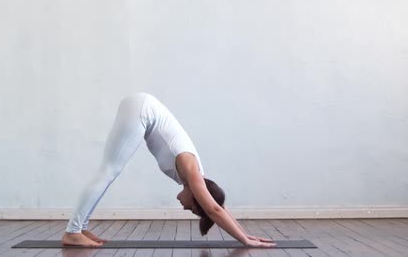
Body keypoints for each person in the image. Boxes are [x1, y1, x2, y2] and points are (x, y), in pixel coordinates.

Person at [62, 93, 276, 248]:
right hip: (142, 109)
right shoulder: (192, 171)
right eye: (193, 208)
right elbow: (214, 210)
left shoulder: (193, 176)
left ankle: (80, 228)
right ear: (198, 196)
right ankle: (72, 231)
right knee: (109, 170)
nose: (185, 208)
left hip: (141, 106)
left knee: (110, 170)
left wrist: (247, 234)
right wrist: (245, 241)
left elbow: (218, 207)